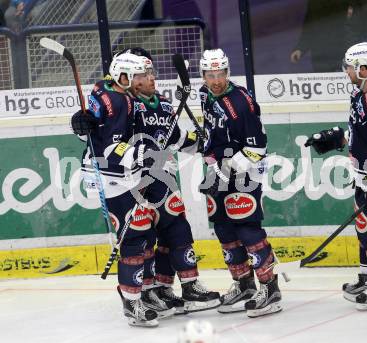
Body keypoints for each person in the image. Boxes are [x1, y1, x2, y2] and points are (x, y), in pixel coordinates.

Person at [305, 42, 367, 310]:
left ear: (364, 69)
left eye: (350, 67)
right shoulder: (364, 94)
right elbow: (365, 135)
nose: (347, 71)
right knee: (363, 229)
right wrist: (337, 137)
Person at [124, 47, 221, 314]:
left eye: (152, 72)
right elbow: (111, 139)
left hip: (167, 180)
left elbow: (177, 138)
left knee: (178, 231)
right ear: (130, 78)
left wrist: (201, 143)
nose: (151, 78)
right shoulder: (127, 106)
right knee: (144, 238)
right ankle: (148, 290)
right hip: (138, 184)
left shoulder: (165, 103)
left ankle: (184, 286)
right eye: (144, 74)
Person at [71, 52, 161, 327]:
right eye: (139, 76)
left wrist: (84, 119)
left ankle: (144, 290)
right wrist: (141, 153)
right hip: (111, 176)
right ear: (123, 77)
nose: (145, 79)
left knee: (144, 231)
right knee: (133, 236)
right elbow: (110, 148)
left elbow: (96, 118)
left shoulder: (106, 87)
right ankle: (132, 302)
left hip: (124, 173)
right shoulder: (119, 100)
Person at [197, 48, 282, 318]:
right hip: (219, 171)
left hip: (245, 173)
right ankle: (243, 284)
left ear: (227, 72)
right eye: (210, 75)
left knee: (246, 229)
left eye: (220, 74)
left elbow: (257, 148)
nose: (216, 80)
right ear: (203, 75)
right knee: (224, 229)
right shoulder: (203, 95)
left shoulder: (241, 102)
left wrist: (225, 171)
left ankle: (270, 289)